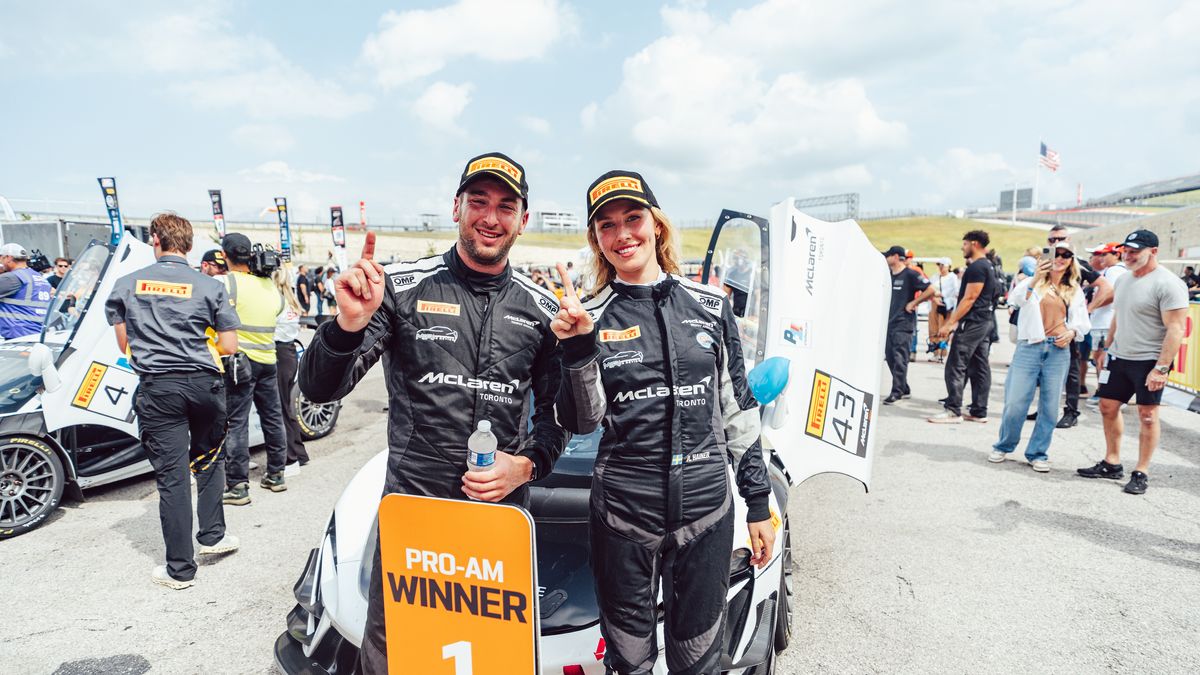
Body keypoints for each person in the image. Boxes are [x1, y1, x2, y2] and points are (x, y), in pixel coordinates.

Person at [298, 151, 570, 673]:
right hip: (414, 520)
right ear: (456, 208)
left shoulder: (542, 308)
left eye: (506, 207)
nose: (490, 217)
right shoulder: (401, 287)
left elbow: (557, 420)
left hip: (498, 522)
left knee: (491, 663)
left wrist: (526, 466)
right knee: (397, 659)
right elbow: (319, 388)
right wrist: (346, 326)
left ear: (522, 220)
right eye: (479, 202)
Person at [553, 170, 774, 675]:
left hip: (706, 509)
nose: (622, 233)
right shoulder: (589, 316)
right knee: (629, 663)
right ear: (596, 239)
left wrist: (758, 503)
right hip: (623, 514)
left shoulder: (711, 306)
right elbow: (584, 420)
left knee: (698, 661)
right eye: (607, 226)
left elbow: (738, 411)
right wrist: (579, 348)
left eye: (632, 218)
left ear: (656, 224)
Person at [104, 213, 241, 589]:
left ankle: (180, 570)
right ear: (190, 245)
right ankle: (212, 536)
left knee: (173, 477)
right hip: (204, 384)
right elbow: (229, 345)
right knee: (210, 459)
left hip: (159, 388)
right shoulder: (210, 286)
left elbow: (124, 343)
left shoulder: (126, 284)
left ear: (155, 240)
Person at [1078, 230, 1189, 495]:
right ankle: (1112, 462)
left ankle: (1141, 471)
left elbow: (1176, 329)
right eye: (1125, 251)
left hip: (1149, 360)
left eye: (1135, 251)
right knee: (1107, 407)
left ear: (1153, 252)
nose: (1128, 256)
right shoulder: (1124, 280)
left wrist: (1161, 368)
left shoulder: (1169, 283)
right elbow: (1118, 316)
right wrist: (1106, 348)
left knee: (1147, 415)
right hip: (1120, 356)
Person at [989, 242, 1090, 471]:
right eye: (1056, 254)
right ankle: (1004, 445)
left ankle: (1038, 453)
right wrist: (1036, 278)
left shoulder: (1073, 289)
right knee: (1015, 403)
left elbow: (1082, 322)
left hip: (1058, 350)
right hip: (1029, 347)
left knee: (1050, 407)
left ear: (1071, 261)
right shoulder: (1031, 282)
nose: (1060, 258)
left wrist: (1071, 333)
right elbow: (1016, 300)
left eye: (1066, 255)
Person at [219, 233, 290, 505]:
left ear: (224, 255)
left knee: (237, 422)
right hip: (268, 361)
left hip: (240, 363)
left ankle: (238, 486)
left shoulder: (226, 283)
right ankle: (276, 475)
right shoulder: (270, 287)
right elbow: (279, 310)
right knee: (272, 417)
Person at [1045, 225, 1111, 428]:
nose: (1057, 243)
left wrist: (1087, 310)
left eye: (1061, 239)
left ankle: (1071, 411)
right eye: (1052, 240)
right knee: (1045, 372)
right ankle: (1046, 409)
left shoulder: (1077, 263)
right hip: (1044, 326)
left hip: (1068, 328)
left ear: (1069, 240)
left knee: (1072, 370)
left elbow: (1106, 287)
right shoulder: (1044, 262)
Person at [929, 230, 996, 423]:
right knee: (979, 365)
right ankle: (978, 411)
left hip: (973, 322)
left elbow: (970, 297)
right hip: (984, 321)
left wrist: (950, 323)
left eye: (965, 244)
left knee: (955, 364)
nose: (962, 248)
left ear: (974, 244)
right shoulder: (988, 266)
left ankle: (953, 410)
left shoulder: (977, 267)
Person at [882, 246, 934, 403]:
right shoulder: (888, 275)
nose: (885, 259)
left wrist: (914, 303)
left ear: (896, 257)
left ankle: (896, 392)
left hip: (903, 323)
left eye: (888, 256)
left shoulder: (910, 274)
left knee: (900, 358)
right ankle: (904, 388)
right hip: (889, 323)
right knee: (890, 357)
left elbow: (931, 290)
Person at [273, 268, 309, 471]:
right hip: (289, 353)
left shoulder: (276, 302)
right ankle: (299, 453)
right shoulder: (291, 302)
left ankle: (291, 458)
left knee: (280, 408)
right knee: (285, 406)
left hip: (279, 353)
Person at [1085, 243, 1127, 407]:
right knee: (1102, 361)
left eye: (1104, 254)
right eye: (1099, 254)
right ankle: (1105, 393)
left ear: (1116, 255)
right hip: (1105, 322)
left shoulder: (1114, 270)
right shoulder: (1115, 270)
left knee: (1103, 361)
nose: (1100, 258)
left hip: (1105, 323)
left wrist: (1090, 308)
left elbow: (1113, 294)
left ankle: (1106, 394)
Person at [0, 243, 54, 339]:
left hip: (19, 334)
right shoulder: (38, 277)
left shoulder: (11, 278)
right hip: (38, 333)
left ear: (8, 258)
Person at [928, 257, 958, 362]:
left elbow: (956, 291)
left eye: (942, 265)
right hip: (934, 304)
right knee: (933, 329)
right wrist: (934, 298)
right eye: (939, 265)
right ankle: (935, 352)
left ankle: (943, 353)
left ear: (948, 266)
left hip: (947, 306)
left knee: (944, 329)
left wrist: (945, 297)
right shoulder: (935, 277)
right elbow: (928, 289)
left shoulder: (952, 277)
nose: (940, 267)